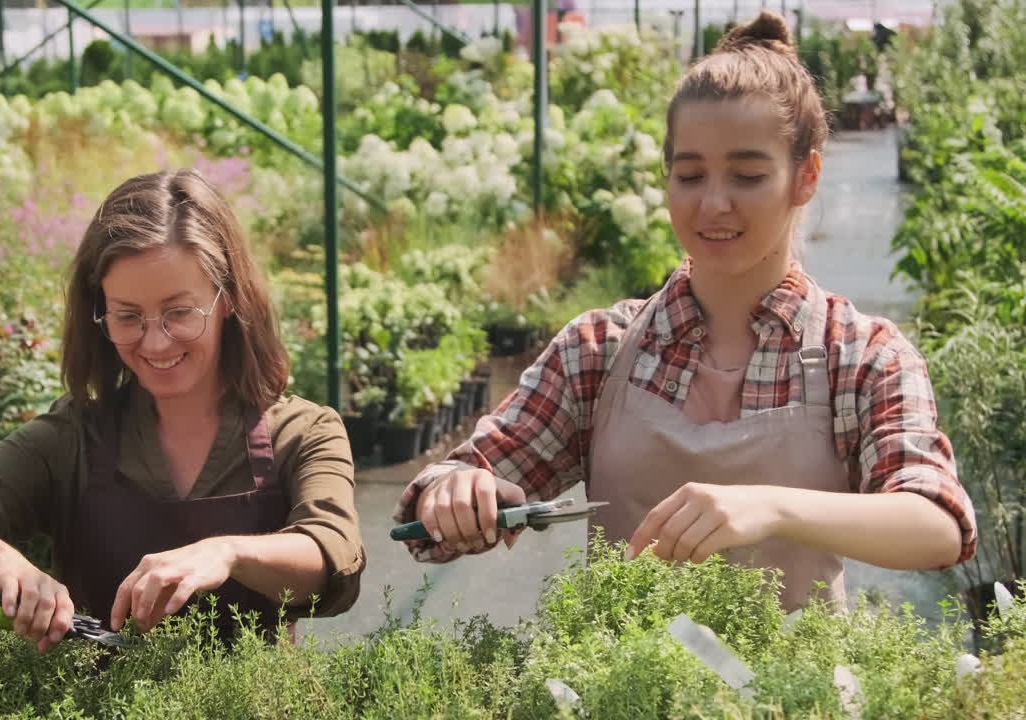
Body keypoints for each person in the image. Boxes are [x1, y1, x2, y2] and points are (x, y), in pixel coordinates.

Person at [392, 11, 976, 612]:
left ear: (806, 177)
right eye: (690, 175)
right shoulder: (600, 349)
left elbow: (936, 525)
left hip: (793, 701)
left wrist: (771, 507)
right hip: (618, 692)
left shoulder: (858, 354)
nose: (713, 204)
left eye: (747, 175)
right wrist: (458, 491)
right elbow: (455, 486)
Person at [0, 170, 365, 652]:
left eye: (179, 312)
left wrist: (227, 552)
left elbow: (331, 554)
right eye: (127, 316)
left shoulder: (304, 432)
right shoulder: (75, 436)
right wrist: (6, 565)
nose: (156, 341)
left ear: (229, 299)